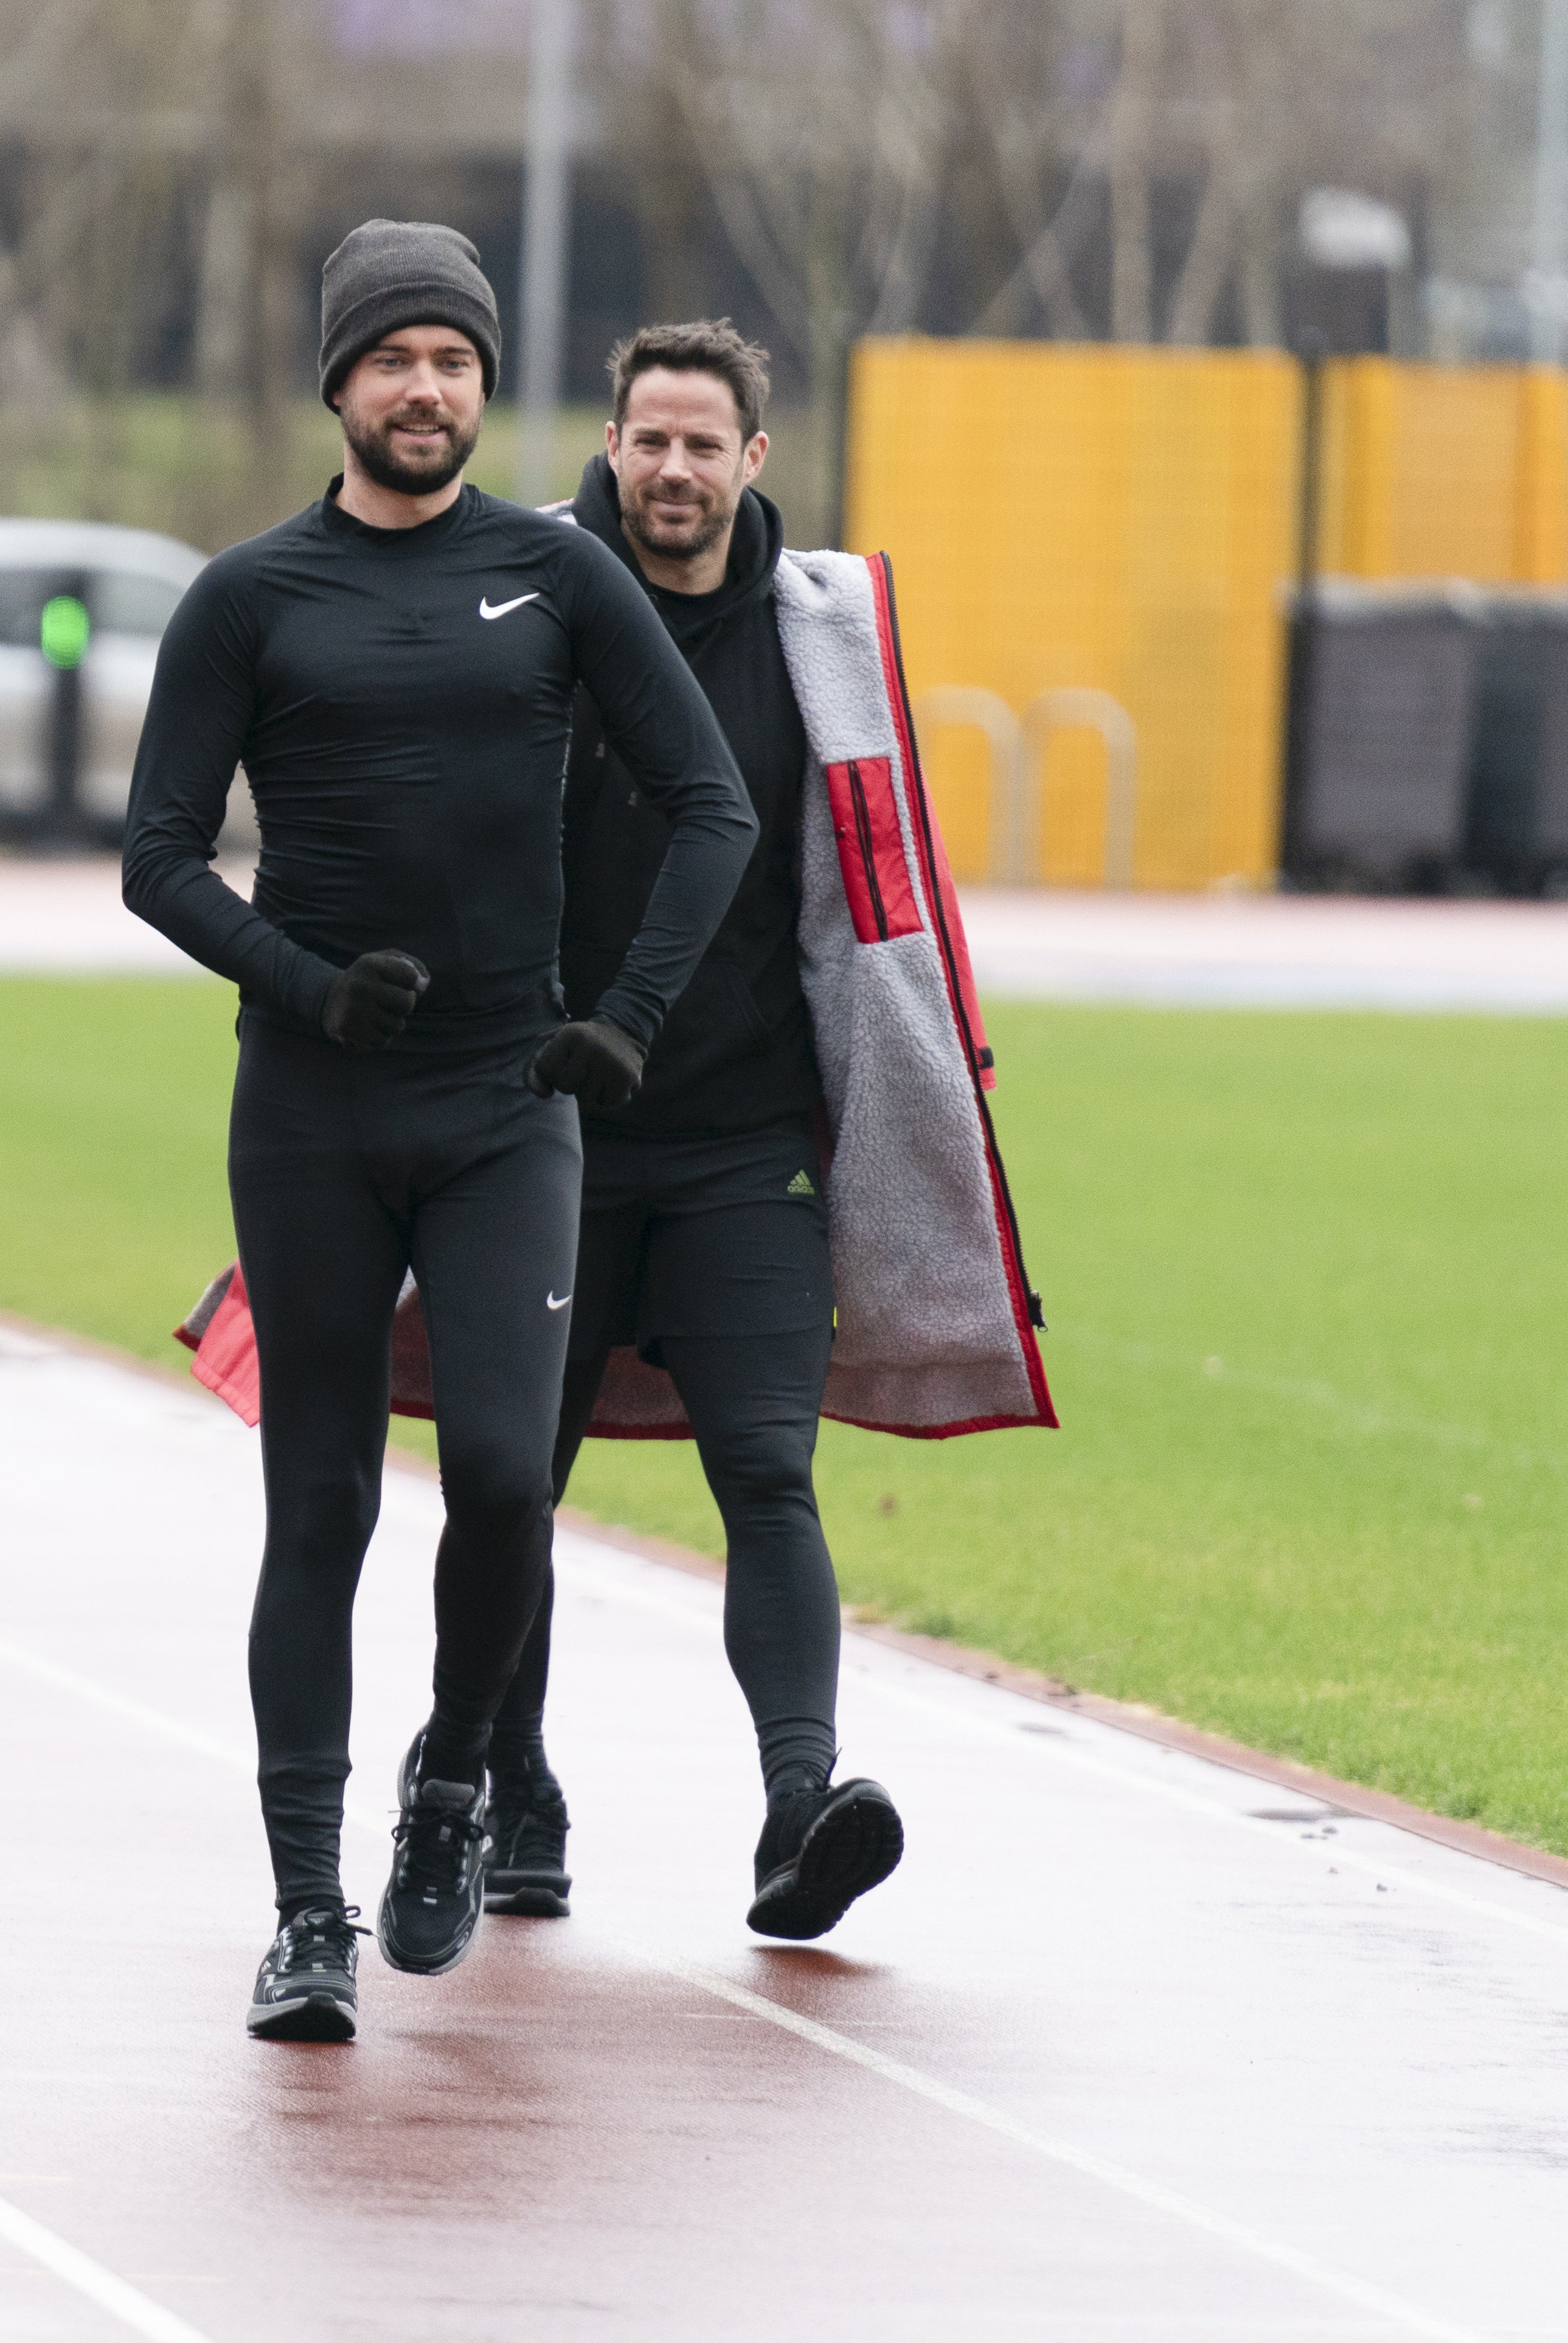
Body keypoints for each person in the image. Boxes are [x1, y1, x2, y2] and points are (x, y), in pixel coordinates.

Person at [122, 221, 754, 2044]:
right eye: (393, 359)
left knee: (498, 1479)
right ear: (338, 384)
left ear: (487, 387)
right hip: (312, 1108)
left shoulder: (555, 576)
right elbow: (158, 857)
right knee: (315, 1503)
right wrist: (305, 987)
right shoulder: (249, 597)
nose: (426, 389)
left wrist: (618, 1021)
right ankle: (304, 1911)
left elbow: (711, 805)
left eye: (456, 362)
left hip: (505, 1109)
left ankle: (459, 1775)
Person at [476, 320, 1053, 1939]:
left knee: (769, 1477)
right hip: (552, 1145)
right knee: (515, 1481)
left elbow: (877, 896)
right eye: (644, 440)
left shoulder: (823, 643)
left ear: (754, 459)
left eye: (699, 442)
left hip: (743, 1145)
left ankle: (802, 1809)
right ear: (608, 445)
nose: (669, 468)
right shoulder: (526, 609)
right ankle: (512, 1776)